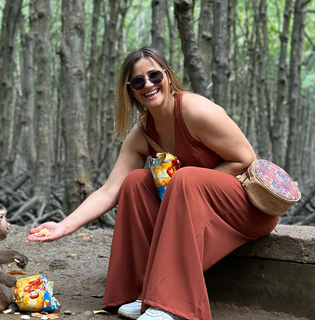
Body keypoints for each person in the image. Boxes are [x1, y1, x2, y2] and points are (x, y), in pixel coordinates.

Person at [26, 46, 279, 320]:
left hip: (247, 209)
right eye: (138, 81)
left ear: (168, 76)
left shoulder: (196, 111)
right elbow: (110, 190)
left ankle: (169, 304)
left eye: (154, 75)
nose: (148, 84)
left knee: (184, 178)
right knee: (135, 182)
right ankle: (143, 293)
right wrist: (64, 226)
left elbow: (246, 159)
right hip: (199, 210)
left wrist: (194, 187)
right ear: (131, 91)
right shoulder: (143, 132)